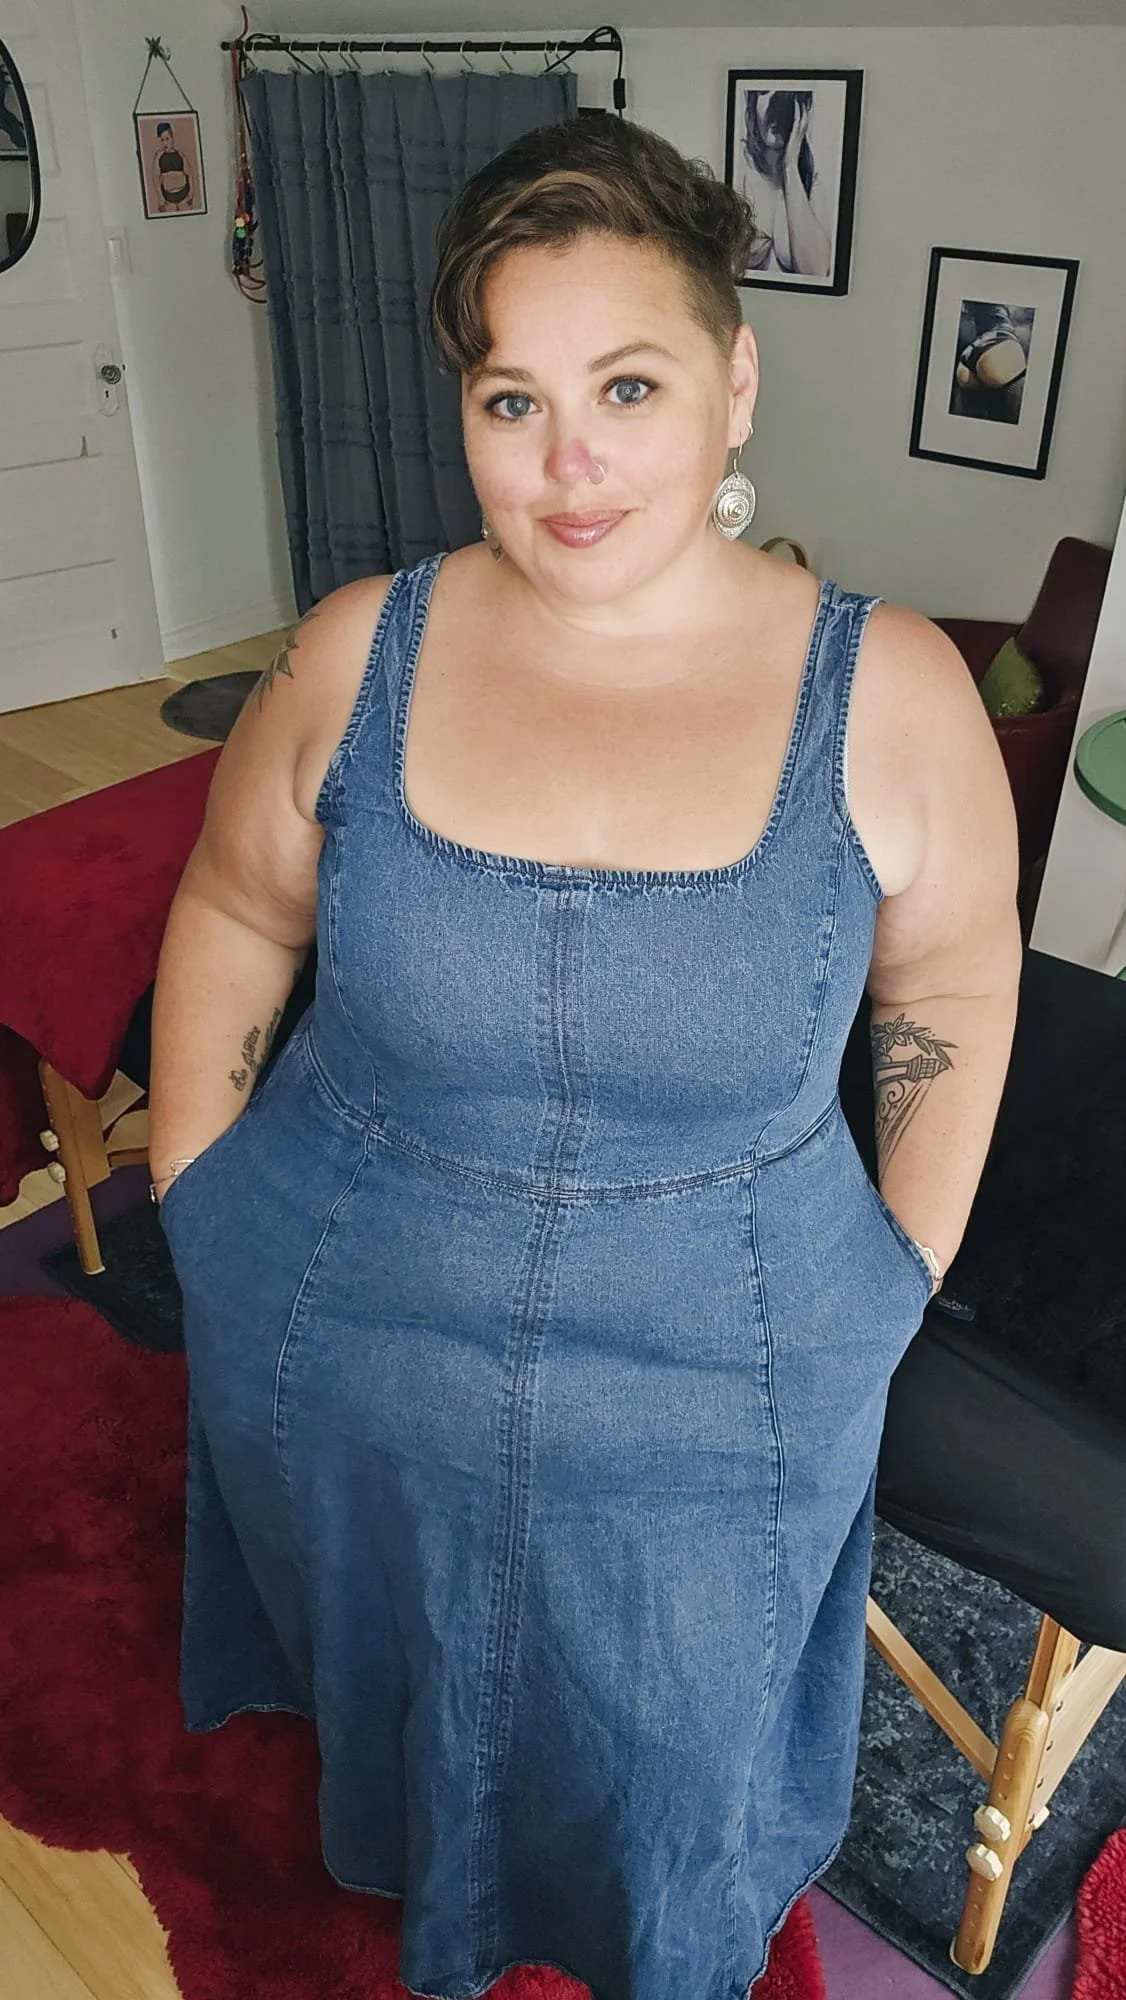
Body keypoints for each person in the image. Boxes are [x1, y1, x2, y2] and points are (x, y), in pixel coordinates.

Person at [148, 113, 1021, 2000]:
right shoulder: (355, 650)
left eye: (625, 385)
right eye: (509, 399)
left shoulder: (892, 690)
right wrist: (198, 1190)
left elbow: (950, 980)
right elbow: (233, 911)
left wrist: (895, 1273)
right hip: (349, 1314)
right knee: (387, 1679)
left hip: (722, 1382)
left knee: (670, 1771)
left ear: (735, 378)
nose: (567, 466)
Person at [736, 90, 832, 280]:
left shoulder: (810, 180)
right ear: (752, 102)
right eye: (764, 93)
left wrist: (790, 167)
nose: (775, 108)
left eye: (784, 97)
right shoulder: (739, 167)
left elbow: (816, 272)